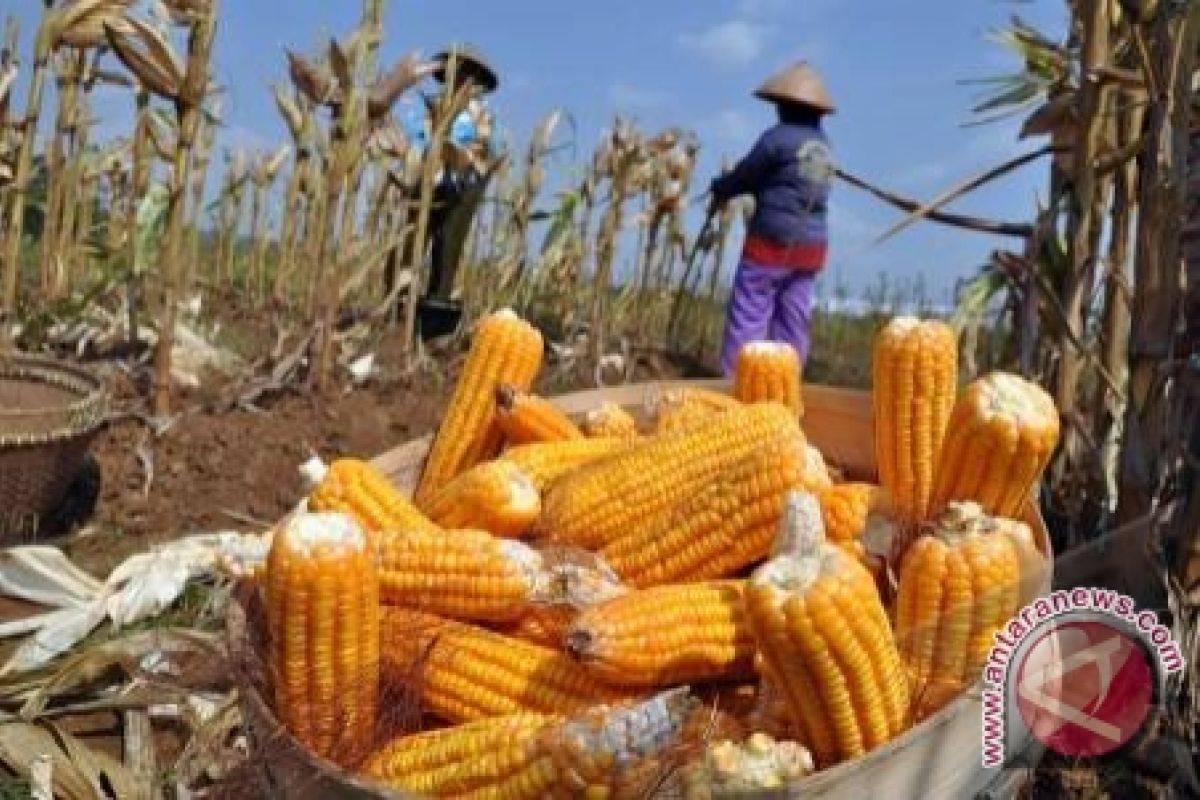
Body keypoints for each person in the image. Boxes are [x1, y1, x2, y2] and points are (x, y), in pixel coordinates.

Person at [707, 61, 836, 376]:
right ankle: (785, 388)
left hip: (770, 245)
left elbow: (745, 176)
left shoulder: (775, 139)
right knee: (793, 322)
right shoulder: (826, 147)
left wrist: (720, 187)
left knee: (749, 316)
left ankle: (736, 386)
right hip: (810, 251)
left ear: (783, 107)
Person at [396, 44, 499, 306]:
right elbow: (419, 138)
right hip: (430, 176)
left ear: (475, 78)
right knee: (412, 237)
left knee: (447, 243)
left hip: (464, 184)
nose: (460, 77)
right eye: (455, 71)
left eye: (465, 73)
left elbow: (479, 150)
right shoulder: (436, 104)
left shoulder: (480, 113)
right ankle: (401, 297)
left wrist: (457, 157)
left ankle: (437, 302)